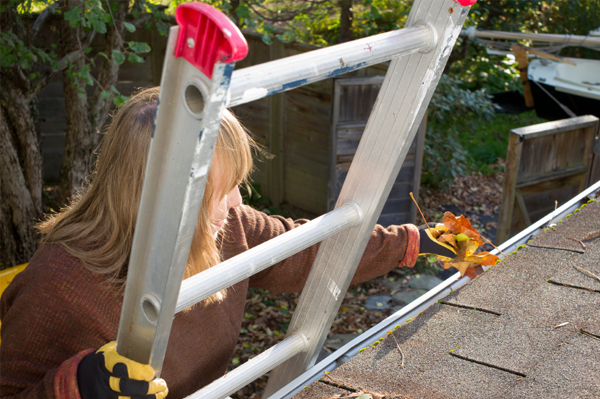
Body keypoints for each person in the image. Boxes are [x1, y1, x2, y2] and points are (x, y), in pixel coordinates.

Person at [0, 87, 455, 399]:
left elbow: (312, 248)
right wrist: (77, 385)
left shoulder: (227, 226)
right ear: (168, 199)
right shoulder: (58, 286)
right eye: (223, 189)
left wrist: (414, 240)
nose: (238, 201)